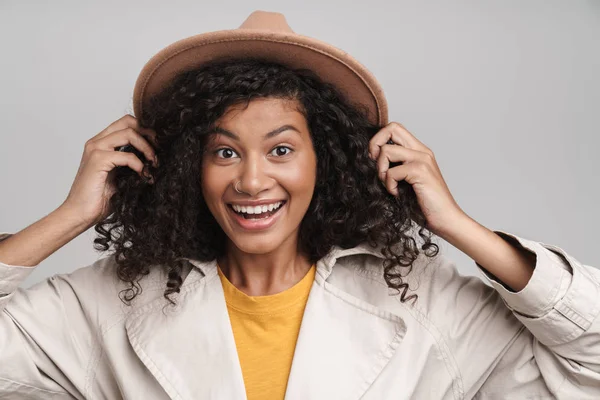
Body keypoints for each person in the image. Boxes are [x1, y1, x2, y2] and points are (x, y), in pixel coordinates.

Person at [0, 10, 598, 400]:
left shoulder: (426, 304)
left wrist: (461, 228)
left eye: (281, 148)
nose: (253, 181)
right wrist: (70, 216)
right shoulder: (110, 302)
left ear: (326, 161)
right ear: (189, 167)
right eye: (224, 153)